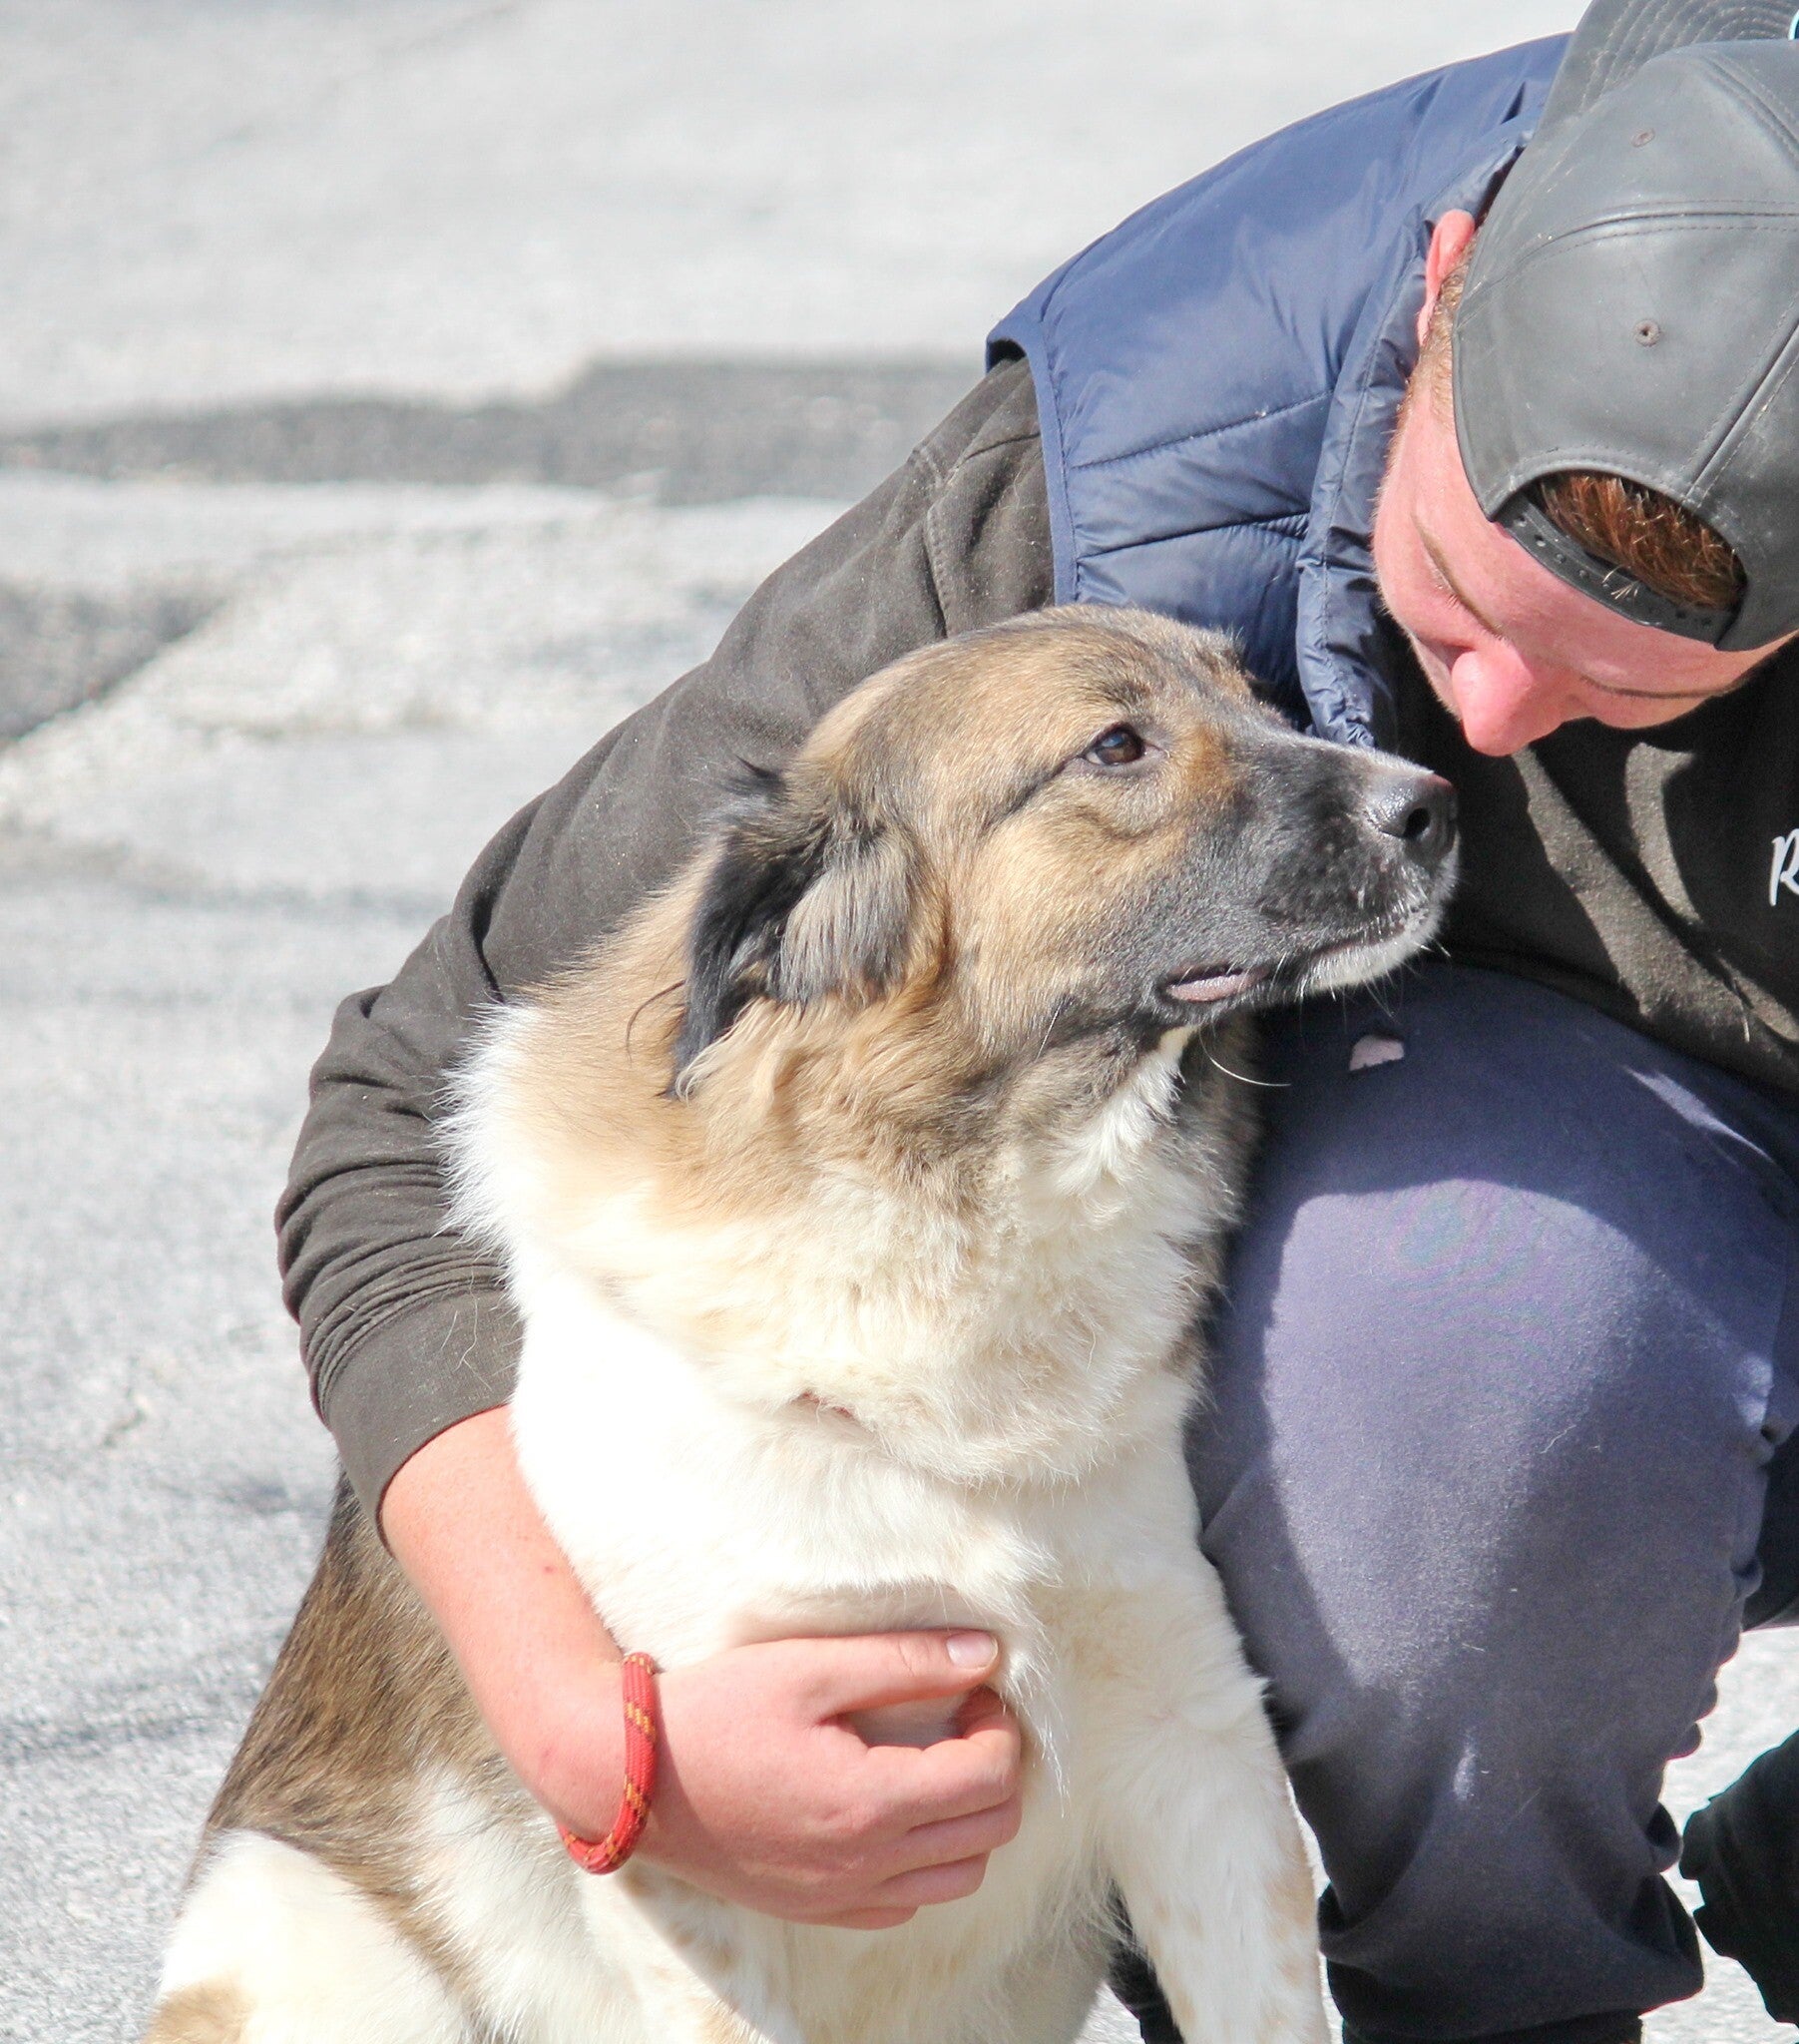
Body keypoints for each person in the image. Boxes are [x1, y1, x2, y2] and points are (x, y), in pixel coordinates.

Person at [275, 1, 1799, 2037]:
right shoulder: (1122, 478)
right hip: (1542, 1171)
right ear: (1445, 282)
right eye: (1448, 594)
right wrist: (602, 1743)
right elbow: (403, 1101)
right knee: (1464, 1341)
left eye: (1620, 685)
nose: (1488, 724)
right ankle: (1485, 2002)